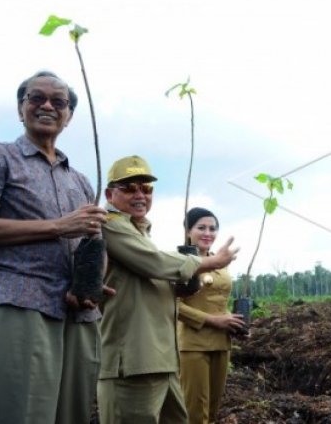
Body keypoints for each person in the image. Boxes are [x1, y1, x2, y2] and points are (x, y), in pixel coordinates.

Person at [0, 70, 108, 424]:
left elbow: (94, 242)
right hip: (18, 302)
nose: (47, 106)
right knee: (15, 412)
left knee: (70, 414)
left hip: (76, 313)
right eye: (36, 98)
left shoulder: (80, 180)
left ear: (68, 116)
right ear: (20, 108)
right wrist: (58, 226)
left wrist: (89, 286)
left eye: (59, 101)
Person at [98, 156, 239, 424]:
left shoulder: (140, 233)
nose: (140, 194)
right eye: (129, 188)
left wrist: (177, 290)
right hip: (134, 360)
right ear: (109, 193)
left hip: (163, 358)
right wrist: (209, 262)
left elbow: (151, 277)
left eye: (146, 188)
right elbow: (156, 263)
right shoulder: (110, 223)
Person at [177, 207, 246, 424]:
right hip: (193, 344)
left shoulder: (220, 263)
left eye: (212, 228)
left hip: (221, 343)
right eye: (201, 228)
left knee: (214, 409)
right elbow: (173, 305)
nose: (208, 233)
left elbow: (220, 302)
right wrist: (213, 320)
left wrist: (235, 323)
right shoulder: (180, 262)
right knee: (195, 412)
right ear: (188, 231)